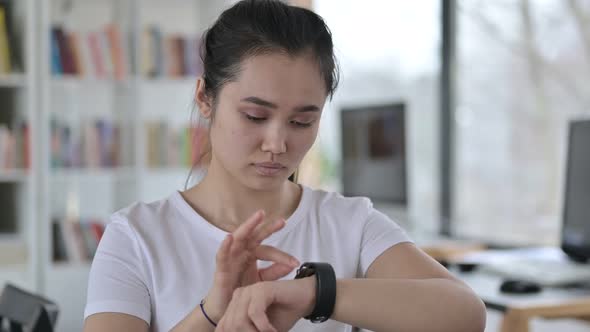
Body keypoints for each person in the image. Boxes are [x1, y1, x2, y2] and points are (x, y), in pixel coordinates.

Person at [82, 1, 486, 331]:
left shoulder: (350, 223)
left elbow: (466, 313)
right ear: (206, 98)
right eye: (255, 117)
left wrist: (314, 294)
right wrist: (211, 313)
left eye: (301, 122)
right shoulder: (135, 237)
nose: (277, 144)